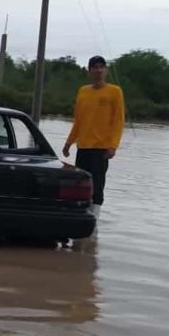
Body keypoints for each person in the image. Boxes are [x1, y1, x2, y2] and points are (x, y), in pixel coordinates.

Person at [62, 55, 125, 220]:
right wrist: (69, 142)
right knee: (81, 184)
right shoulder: (83, 91)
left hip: (101, 148)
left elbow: (118, 121)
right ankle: (81, 216)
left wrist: (113, 146)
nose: (99, 70)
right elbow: (78, 120)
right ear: (89, 71)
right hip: (83, 147)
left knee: (97, 186)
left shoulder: (115, 91)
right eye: (95, 67)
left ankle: (94, 221)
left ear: (106, 71)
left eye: (101, 67)